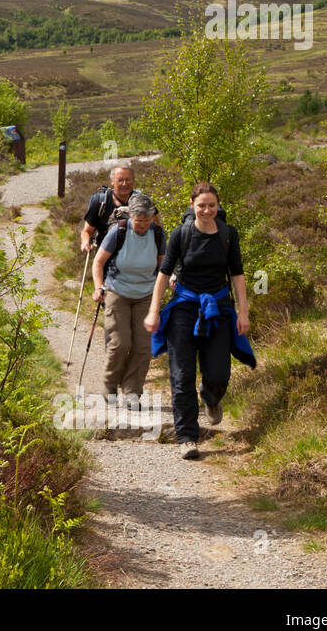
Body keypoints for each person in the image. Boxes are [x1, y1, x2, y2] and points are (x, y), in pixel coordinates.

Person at [143, 182, 254, 460]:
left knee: (218, 373)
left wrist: (243, 312)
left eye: (212, 206)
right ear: (192, 205)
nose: (206, 210)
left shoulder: (229, 234)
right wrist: (154, 311)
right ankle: (187, 437)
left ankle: (211, 397)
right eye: (201, 205)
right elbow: (163, 273)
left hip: (217, 307)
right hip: (184, 307)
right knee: (181, 377)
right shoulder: (181, 234)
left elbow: (237, 274)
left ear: (218, 206)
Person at [92, 193, 165, 410]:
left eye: (146, 221)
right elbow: (98, 262)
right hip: (117, 292)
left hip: (146, 294)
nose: (142, 225)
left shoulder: (158, 234)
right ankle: (110, 385)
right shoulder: (119, 231)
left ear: (152, 218)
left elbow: (163, 266)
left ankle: (133, 391)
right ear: (131, 215)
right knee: (120, 343)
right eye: (138, 220)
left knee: (143, 346)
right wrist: (98, 288)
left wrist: (170, 280)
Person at [80, 165, 137, 253]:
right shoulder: (100, 202)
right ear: (112, 181)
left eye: (128, 179)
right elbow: (87, 231)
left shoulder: (142, 202)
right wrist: (85, 242)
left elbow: (156, 229)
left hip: (135, 255)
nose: (125, 184)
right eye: (120, 180)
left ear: (133, 181)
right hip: (105, 257)